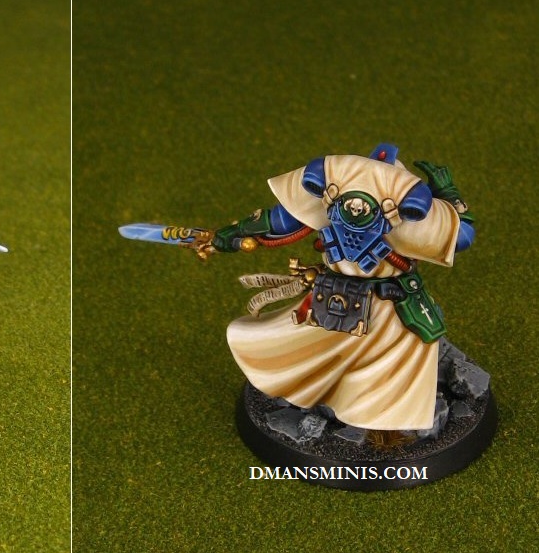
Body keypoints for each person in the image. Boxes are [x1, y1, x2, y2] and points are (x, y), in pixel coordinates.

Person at [202, 144, 474, 431]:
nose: (356, 210)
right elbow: (278, 222)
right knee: (301, 352)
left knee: (389, 369)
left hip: (387, 307)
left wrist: (231, 234)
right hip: (334, 300)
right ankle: (340, 404)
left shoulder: (399, 215)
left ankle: (381, 425)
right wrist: (449, 194)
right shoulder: (335, 194)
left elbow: (460, 238)